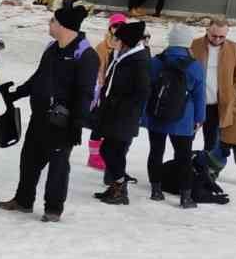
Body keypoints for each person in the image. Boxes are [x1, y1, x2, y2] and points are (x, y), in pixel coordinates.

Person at [0, 4, 99, 222]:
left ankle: (53, 209)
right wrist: (19, 93)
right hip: (40, 116)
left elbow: (85, 93)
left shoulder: (85, 55)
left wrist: (77, 124)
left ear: (65, 26)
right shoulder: (52, 48)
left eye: (53, 21)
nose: (49, 23)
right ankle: (23, 200)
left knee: (58, 166)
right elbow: (39, 77)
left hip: (63, 122)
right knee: (29, 159)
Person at [144, 23, 206, 207]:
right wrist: (199, 118)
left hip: (157, 115)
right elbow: (199, 95)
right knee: (183, 156)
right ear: (188, 43)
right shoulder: (195, 66)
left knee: (156, 151)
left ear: (170, 41)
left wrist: (144, 115)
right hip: (183, 118)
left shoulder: (156, 62)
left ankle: (156, 190)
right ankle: (185, 197)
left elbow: (148, 89)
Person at [191, 19, 236, 185]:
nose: (217, 40)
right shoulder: (195, 45)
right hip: (198, 102)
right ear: (207, 31)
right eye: (214, 36)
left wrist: (232, 92)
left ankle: (207, 173)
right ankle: (190, 167)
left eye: (221, 37)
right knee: (188, 137)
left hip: (220, 104)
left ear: (227, 34)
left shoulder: (234, 48)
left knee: (213, 141)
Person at [92, 20, 152, 205]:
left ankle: (119, 187)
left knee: (111, 150)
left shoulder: (139, 61)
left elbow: (142, 91)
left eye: (117, 38)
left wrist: (119, 103)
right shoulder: (121, 56)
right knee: (111, 150)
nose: (113, 40)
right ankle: (117, 186)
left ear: (126, 42)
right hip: (113, 111)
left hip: (124, 115)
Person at [87, 12, 129, 171]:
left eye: (121, 26)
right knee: (98, 124)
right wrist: (100, 85)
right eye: (115, 25)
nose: (118, 29)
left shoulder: (127, 46)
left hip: (116, 92)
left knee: (110, 125)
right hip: (102, 90)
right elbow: (97, 69)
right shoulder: (102, 47)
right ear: (110, 27)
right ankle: (93, 155)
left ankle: (105, 153)